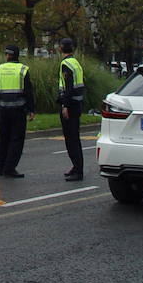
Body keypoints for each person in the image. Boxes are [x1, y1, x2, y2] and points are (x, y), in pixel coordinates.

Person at [0, 44, 35, 178]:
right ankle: (10, 168)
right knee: (16, 139)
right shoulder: (22, 70)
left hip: (2, 109)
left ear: (7, 55)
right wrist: (31, 109)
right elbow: (29, 91)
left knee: (3, 138)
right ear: (17, 55)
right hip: (18, 109)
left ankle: (1, 167)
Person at [58, 37, 85, 181]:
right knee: (74, 137)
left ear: (61, 48)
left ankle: (78, 170)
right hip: (77, 103)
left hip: (71, 105)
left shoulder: (66, 64)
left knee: (71, 139)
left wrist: (65, 105)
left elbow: (68, 87)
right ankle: (76, 167)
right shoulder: (75, 63)